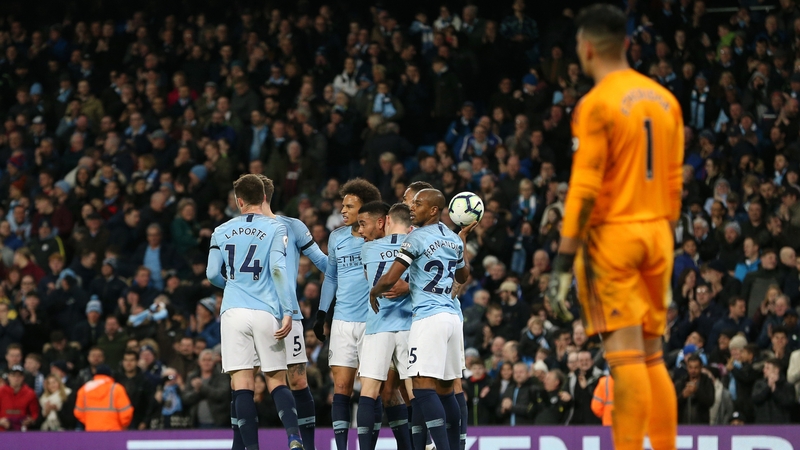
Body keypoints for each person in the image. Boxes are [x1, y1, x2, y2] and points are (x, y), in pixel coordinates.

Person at [547, 5, 683, 450]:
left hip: (614, 239)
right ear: (625, 43)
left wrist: (564, 261)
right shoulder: (666, 100)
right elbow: (675, 184)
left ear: (586, 49)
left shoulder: (597, 104)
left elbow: (584, 188)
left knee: (624, 359)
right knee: (653, 355)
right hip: (660, 233)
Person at [370, 188, 475, 450]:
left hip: (428, 319)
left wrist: (375, 291)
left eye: (418, 203)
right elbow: (463, 277)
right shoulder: (453, 239)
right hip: (452, 317)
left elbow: (392, 277)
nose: (412, 208)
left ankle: (441, 447)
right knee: (446, 389)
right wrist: (462, 245)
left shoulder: (414, 238)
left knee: (422, 386)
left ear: (434, 210)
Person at [206, 174, 303, 450]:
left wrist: (232, 285)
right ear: (263, 197)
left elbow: (212, 273)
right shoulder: (276, 228)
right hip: (266, 311)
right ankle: (294, 437)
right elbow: (277, 270)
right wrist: (288, 310)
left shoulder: (221, 230)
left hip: (233, 311)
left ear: (238, 201)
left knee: (242, 384)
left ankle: (250, 448)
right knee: (276, 379)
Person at [259, 174, 328, 450]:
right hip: (258, 314)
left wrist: (351, 268)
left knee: (298, 379)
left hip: (289, 312)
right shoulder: (237, 229)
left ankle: (303, 445)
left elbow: (322, 262)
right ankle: (291, 436)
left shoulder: (293, 226)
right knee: (253, 381)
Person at [313, 178, 381, 450]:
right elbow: (330, 278)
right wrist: (321, 313)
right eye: (342, 205)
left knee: (371, 390)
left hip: (372, 321)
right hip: (341, 321)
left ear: (365, 209)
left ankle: (368, 446)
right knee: (341, 388)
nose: (342, 210)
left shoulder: (379, 236)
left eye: (349, 205)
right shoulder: (337, 237)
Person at [358, 201, 413, 450]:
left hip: (377, 324)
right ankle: (420, 445)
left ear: (387, 220)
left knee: (368, 392)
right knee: (414, 392)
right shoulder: (416, 245)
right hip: (408, 325)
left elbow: (372, 279)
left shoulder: (367, 249)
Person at [73, 364, 132, 431]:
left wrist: (90, 422)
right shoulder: (117, 389)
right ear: (110, 375)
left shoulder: (84, 389)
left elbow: (78, 412)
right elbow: (126, 413)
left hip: (91, 431)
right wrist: (123, 425)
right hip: (114, 432)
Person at [0, 365, 39, 431]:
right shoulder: (1, 391)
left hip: (22, 430)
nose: (16, 378)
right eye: (13, 375)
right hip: (2, 431)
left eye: (19, 376)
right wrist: (0, 421)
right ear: (9, 377)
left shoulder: (30, 393)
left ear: (23, 377)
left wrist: (30, 420)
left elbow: (35, 413)